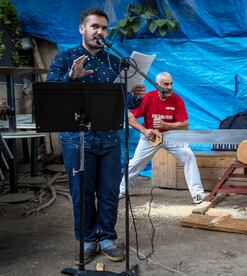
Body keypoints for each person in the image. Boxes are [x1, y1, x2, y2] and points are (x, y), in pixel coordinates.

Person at [46, 8, 146, 265]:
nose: (99, 32)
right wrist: (71, 78)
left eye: (103, 28)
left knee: (110, 191)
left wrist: (136, 95)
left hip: (110, 138)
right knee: (82, 192)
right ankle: (88, 239)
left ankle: (107, 239)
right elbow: (49, 92)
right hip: (77, 139)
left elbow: (127, 104)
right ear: (82, 29)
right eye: (94, 27)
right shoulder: (66, 58)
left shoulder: (116, 62)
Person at [119, 71, 208, 204]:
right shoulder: (148, 97)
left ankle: (197, 194)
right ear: (157, 85)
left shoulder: (176, 99)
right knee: (135, 163)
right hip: (151, 136)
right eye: (166, 84)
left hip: (171, 136)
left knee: (188, 156)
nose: (170, 87)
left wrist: (166, 124)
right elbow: (130, 117)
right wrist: (144, 131)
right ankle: (122, 189)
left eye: (171, 84)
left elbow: (185, 125)